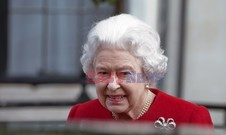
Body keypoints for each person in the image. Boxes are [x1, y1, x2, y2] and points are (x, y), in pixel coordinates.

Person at [67, 14, 213, 128]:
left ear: (147, 73)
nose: (112, 85)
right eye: (103, 73)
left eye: (124, 73)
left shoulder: (189, 118)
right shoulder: (81, 116)